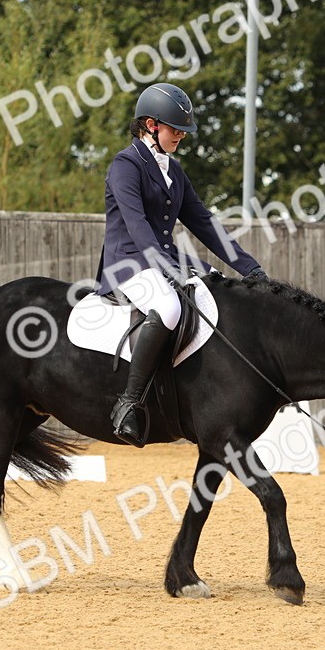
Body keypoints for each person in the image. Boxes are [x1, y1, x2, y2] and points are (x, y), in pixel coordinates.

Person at [94, 82, 268, 446]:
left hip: (165, 258)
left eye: (183, 131)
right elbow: (137, 225)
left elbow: (204, 223)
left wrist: (249, 268)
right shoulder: (126, 165)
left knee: (218, 286)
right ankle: (129, 403)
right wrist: (166, 268)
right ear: (151, 125)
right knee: (169, 307)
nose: (181, 136)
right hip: (127, 263)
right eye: (176, 129)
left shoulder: (173, 170)